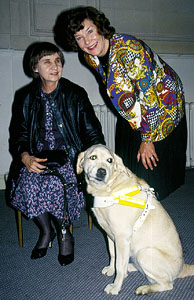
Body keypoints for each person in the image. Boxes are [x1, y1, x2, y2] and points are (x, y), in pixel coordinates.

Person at [53, 6, 187, 200]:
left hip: (163, 105)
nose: (87, 41)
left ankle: (149, 211)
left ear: (99, 26)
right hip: (134, 111)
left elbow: (148, 96)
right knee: (127, 166)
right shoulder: (89, 56)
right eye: (79, 37)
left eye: (89, 31)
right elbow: (114, 85)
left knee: (148, 173)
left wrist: (148, 139)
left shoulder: (130, 49)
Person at [9, 41, 105, 265]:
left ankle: (64, 233)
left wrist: (95, 161)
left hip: (70, 158)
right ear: (35, 67)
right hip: (37, 156)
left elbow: (93, 133)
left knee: (54, 185)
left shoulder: (75, 94)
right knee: (28, 184)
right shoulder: (25, 97)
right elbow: (18, 135)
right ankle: (45, 231)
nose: (55, 66)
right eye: (47, 61)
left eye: (58, 61)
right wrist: (25, 157)